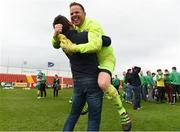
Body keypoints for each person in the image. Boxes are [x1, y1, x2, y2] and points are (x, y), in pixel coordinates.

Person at [53, 2, 131, 131]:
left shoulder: (92, 24)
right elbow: (57, 43)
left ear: (84, 13)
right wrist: (55, 35)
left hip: (105, 59)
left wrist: (74, 47)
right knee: (92, 114)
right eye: (71, 13)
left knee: (103, 83)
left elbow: (96, 46)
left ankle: (122, 112)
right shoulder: (75, 29)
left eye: (77, 12)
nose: (74, 15)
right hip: (92, 68)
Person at [52, 16, 103, 131]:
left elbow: (55, 44)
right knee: (93, 119)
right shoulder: (83, 36)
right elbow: (104, 40)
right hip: (92, 80)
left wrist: (55, 35)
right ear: (69, 24)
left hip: (77, 82)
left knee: (73, 115)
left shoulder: (62, 42)